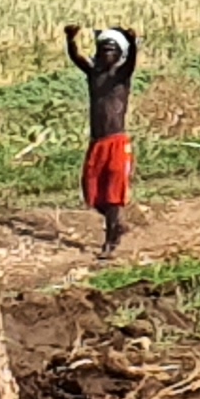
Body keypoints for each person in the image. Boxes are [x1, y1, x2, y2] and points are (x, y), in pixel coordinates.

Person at [65, 25, 140, 253]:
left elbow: (132, 61)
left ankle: (110, 241)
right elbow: (76, 58)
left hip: (116, 143)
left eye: (112, 50)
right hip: (97, 143)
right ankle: (117, 225)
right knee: (94, 193)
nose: (107, 54)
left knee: (113, 195)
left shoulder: (121, 77)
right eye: (104, 50)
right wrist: (70, 40)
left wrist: (132, 41)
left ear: (119, 55)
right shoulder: (94, 75)